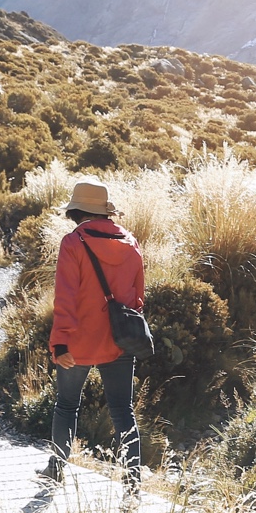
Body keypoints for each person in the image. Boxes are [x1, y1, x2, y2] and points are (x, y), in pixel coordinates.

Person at [44, 180, 146, 486]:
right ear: (105, 212)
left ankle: (56, 471)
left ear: (77, 211)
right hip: (119, 340)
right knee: (122, 410)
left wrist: (60, 341)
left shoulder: (73, 243)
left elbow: (65, 297)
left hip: (78, 341)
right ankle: (133, 480)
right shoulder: (130, 242)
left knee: (66, 406)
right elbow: (138, 296)